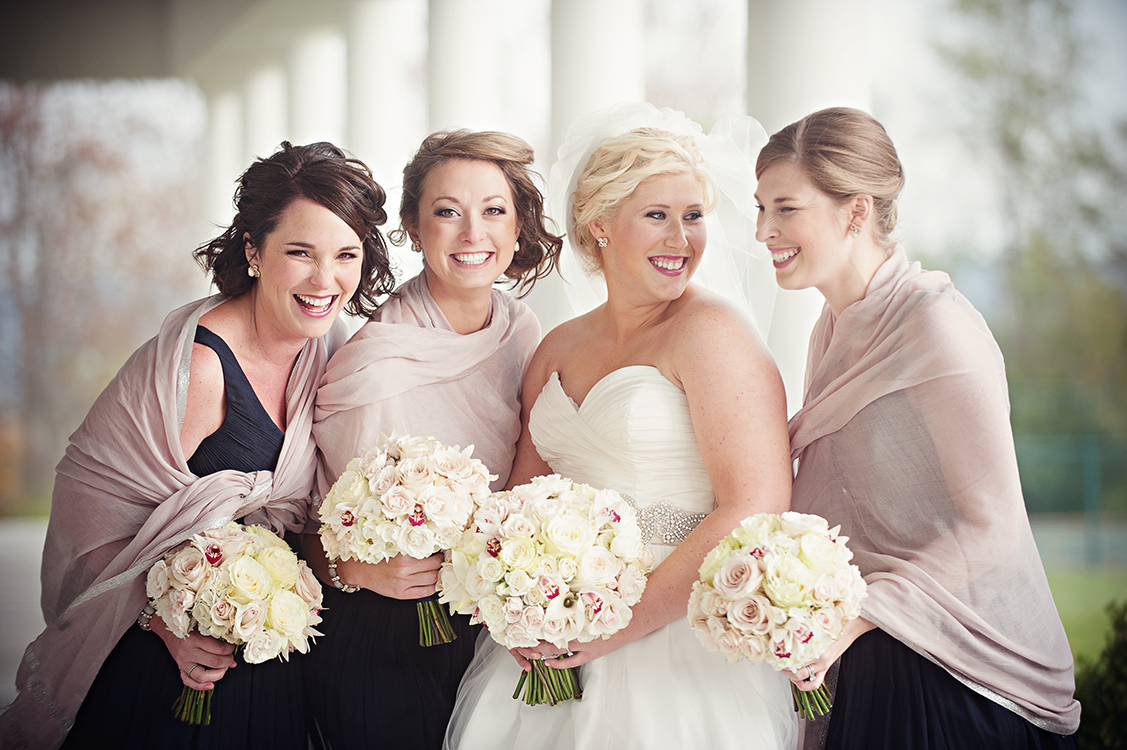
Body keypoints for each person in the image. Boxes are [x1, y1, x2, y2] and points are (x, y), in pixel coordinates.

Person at [0, 141, 395, 750]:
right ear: (254, 251)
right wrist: (166, 623)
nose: (326, 280)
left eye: (346, 255)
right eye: (300, 253)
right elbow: (95, 522)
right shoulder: (200, 370)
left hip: (273, 657)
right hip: (169, 668)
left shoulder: (328, 346)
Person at [444, 106, 799, 750]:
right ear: (599, 224)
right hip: (550, 635)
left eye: (693, 217)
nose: (682, 239)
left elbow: (756, 504)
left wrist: (611, 628)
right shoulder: (554, 349)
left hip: (675, 642)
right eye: (657, 216)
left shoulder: (712, 333)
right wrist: (519, 605)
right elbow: (518, 508)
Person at [755, 107, 1080, 749]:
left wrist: (855, 615)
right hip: (875, 651)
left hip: (956, 674)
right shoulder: (834, 327)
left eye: (785, 209)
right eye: (760, 209)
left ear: (856, 210)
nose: (764, 230)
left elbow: (991, 523)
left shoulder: (936, 326)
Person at [303, 129, 562, 750]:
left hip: (494, 630)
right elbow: (305, 529)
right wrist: (356, 569)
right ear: (414, 228)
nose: (473, 234)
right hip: (389, 635)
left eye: (494, 211)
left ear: (519, 225)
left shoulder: (523, 331)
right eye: (447, 213)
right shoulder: (375, 362)